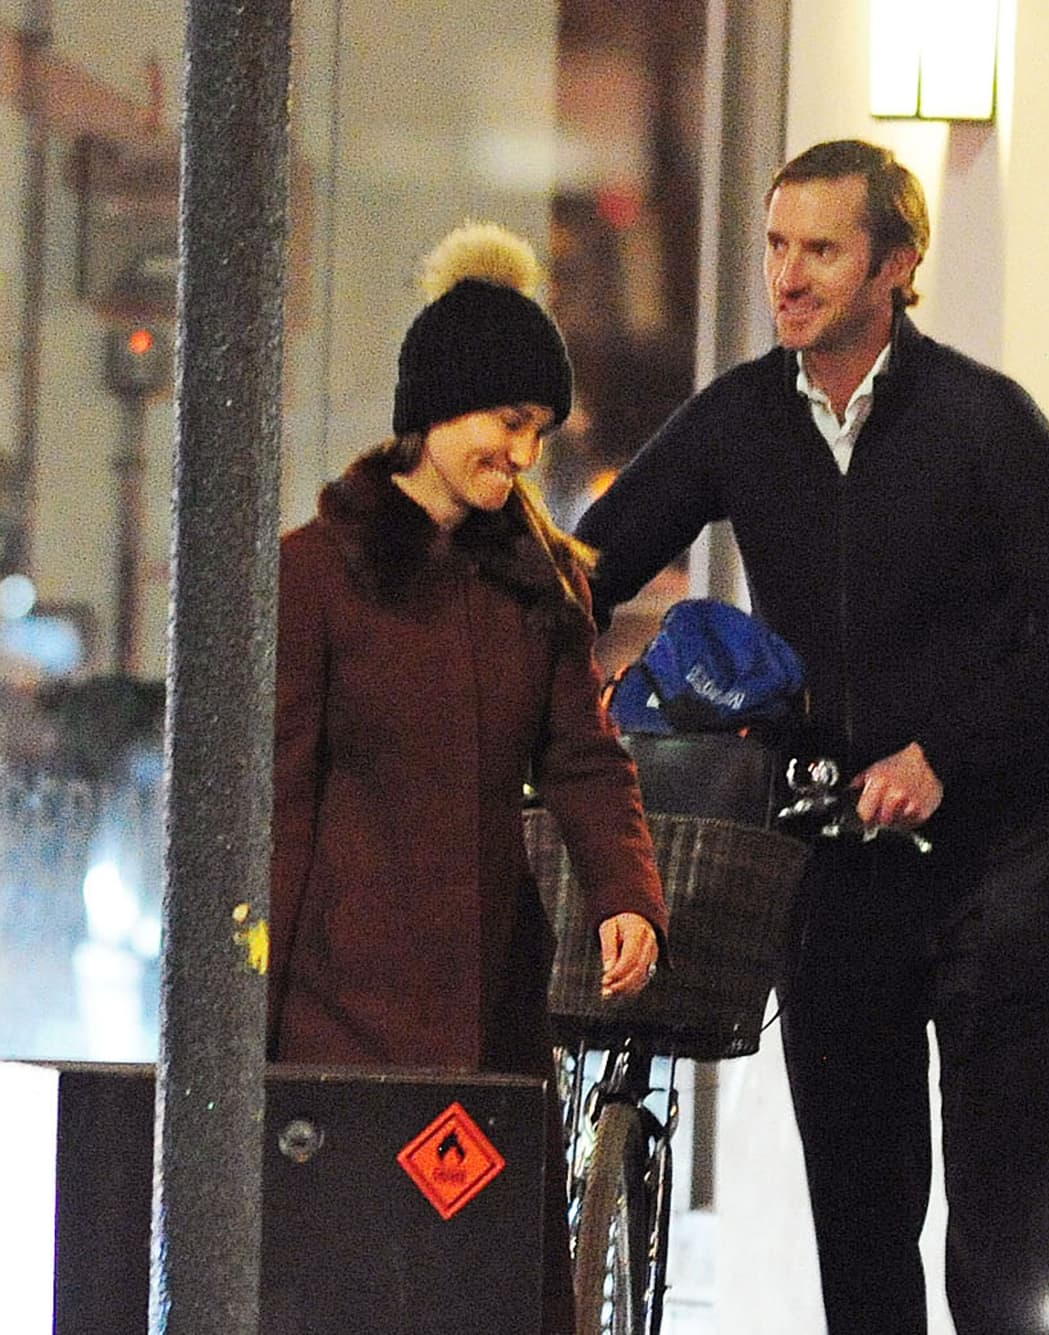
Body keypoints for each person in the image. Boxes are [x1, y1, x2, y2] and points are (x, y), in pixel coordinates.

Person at [575, 139, 1049, 1334]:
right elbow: (588, 563)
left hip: (1002, 867)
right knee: (862, 1240)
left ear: (896, 266)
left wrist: (943, 754)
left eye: (819, 249)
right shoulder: (740, 419)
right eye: (776, 244)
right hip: (832, 874)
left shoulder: (982, 422)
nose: (786, 275)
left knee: (995, 1246)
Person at [268, 221, 668, 1335]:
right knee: (353, 1286)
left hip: (490, 1010)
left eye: (538, 432)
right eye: (509, 423)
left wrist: (626, 895)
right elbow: (279, 803)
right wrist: (247, 1012)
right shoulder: (316, 576)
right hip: (339, 1024)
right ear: (438, 407)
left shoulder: (538, 585)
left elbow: (584, 758)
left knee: (483, 1287)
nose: (524, 456)